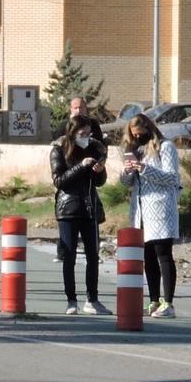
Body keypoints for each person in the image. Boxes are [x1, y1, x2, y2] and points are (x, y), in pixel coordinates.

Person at [120, 113, 181, 317]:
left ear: (148, 129)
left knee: (163, 254)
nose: (137, 138)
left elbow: (172, 178)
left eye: (140, 134)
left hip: (161, 208)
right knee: (147, 256)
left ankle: (169, 303)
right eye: (133, 135)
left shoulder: (166, 147)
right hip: (141, 211)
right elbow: (126, 183)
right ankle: (154, 300)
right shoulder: (137, 150)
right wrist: (128, 170)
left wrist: (145, 169)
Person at [50, 114, 109, 315]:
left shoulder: (94, 148)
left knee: (93, 255)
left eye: (88, 133)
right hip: (68, 209)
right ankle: (71, 300)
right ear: (72, 133)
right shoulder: (59, 149)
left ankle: (92, 299)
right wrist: (80, 166)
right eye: (81, 133)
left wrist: (100, 170)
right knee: (70, 256)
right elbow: (59, 180)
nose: (85, 136)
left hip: (89, 208)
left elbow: (100, 182)